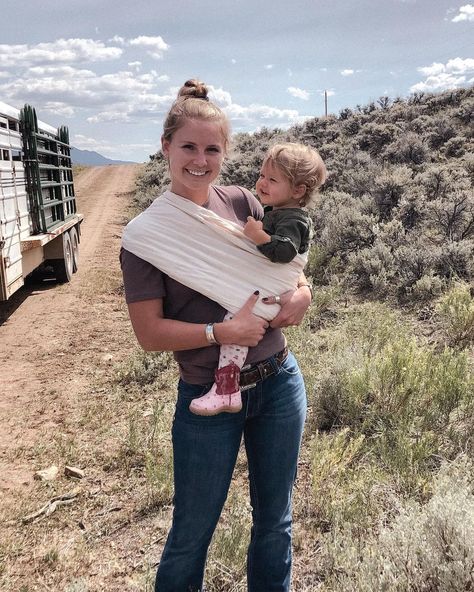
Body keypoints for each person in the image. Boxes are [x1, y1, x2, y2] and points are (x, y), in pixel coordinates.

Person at [120, 79, 313, 592]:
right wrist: (220, 331)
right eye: (188, 146)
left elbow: (287, 266)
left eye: (212, 148)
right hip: (208, 395)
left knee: (276, 522)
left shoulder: (245, 202)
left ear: (225, 153)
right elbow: (150, 333)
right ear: (165, 147)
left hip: (278, 383)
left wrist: (304, 294)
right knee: (192, 532)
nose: (200, 159)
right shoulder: (145, 236)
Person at [189, 142, 326, 416]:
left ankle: (226, 390)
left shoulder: (294, 220)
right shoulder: (279, 212)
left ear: (298, 190)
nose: (262, 183)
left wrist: (258, 236)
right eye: (262, 175)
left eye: (272, 179)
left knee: (235, 326)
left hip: (272, 294)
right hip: (271, 290)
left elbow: (285, 252)